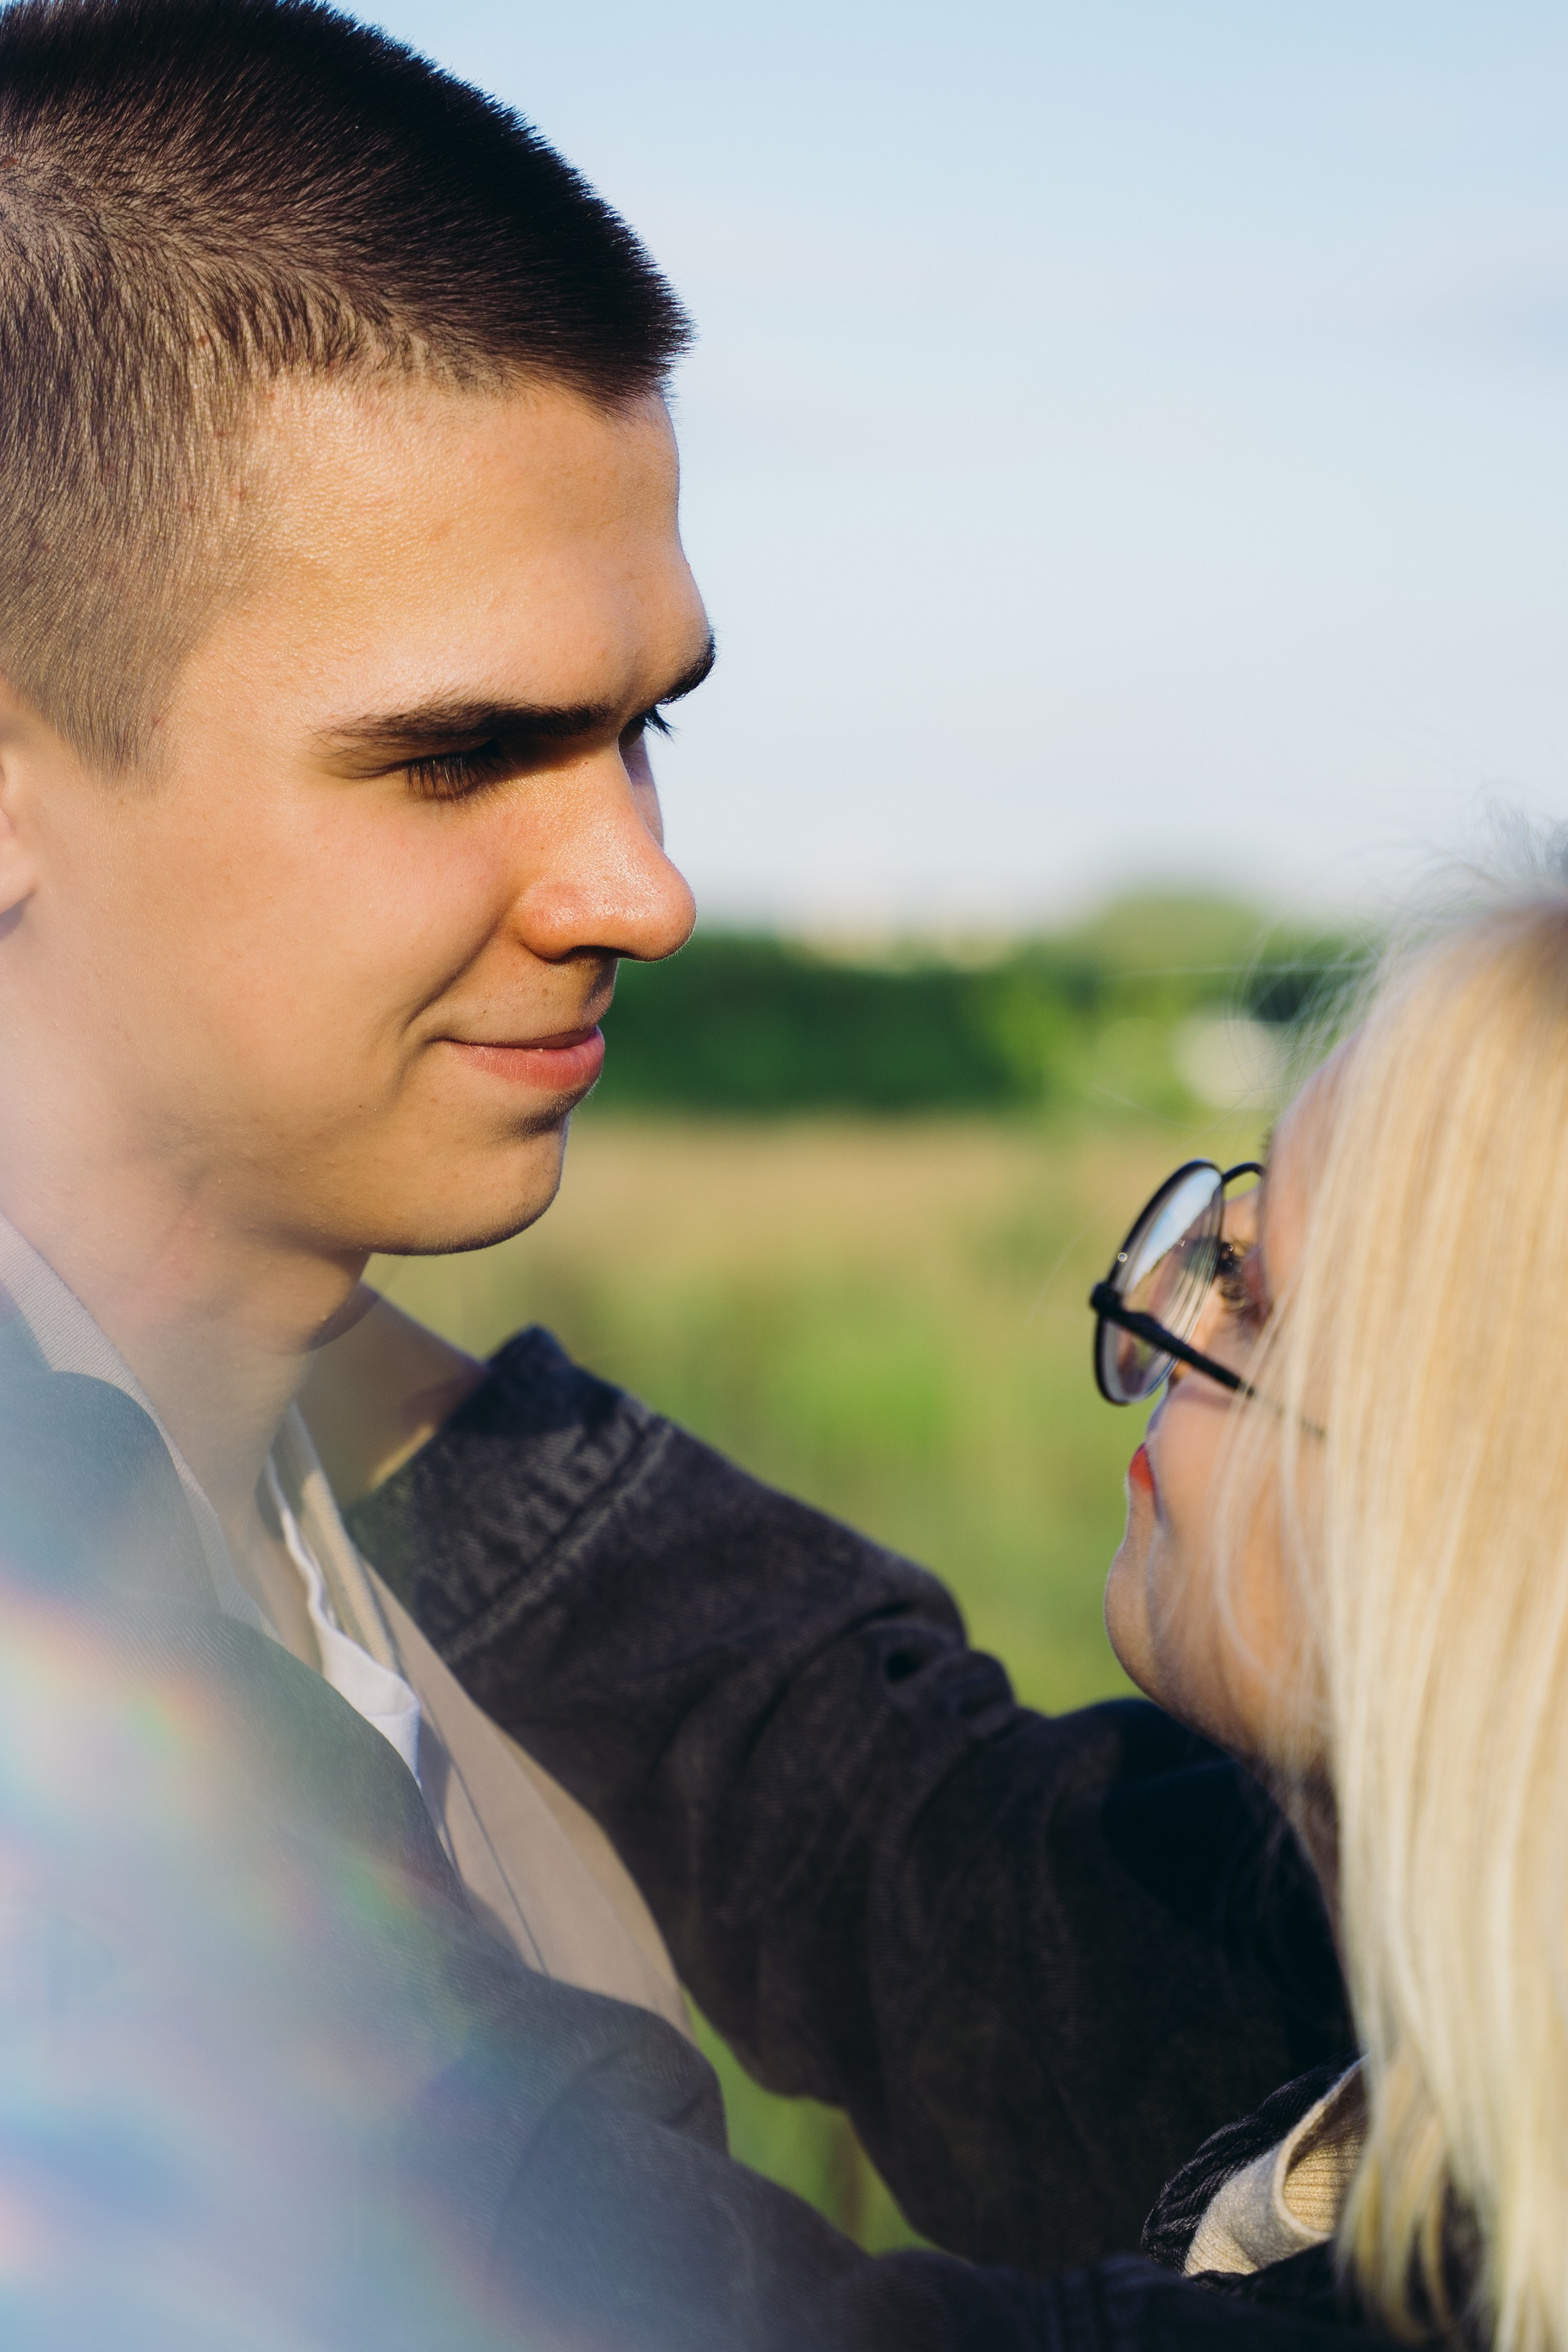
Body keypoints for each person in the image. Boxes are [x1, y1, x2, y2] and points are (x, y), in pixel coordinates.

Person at [0, 0, 1350, 2339]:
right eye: (462, 755)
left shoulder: (273, 1452)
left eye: (646, 731)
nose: (642, 887)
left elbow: (962, 1918)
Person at [335, 875, 1568, 2351]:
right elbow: (916, 1854)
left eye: (1248, 1296)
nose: (1164, 1323)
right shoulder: (1347, 1957)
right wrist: (283, 1323)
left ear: (1468, 1526)